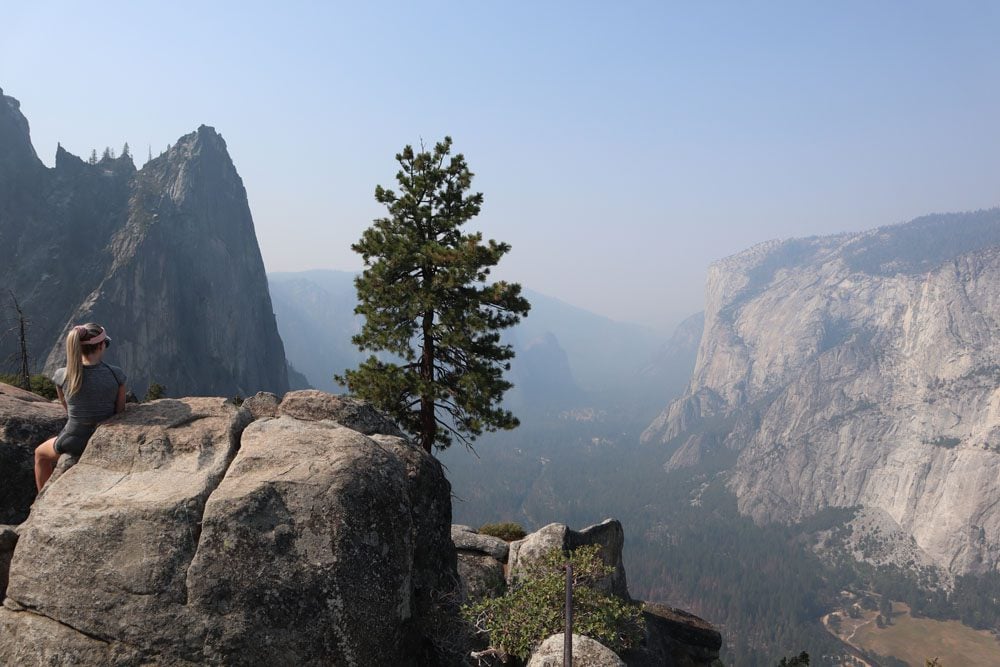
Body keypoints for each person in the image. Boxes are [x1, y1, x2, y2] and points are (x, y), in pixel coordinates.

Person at [34, 323, 127, 490]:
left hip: (73, 440)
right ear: (100, 346)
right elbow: (120, 411)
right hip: (104, 438)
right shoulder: (116, 374)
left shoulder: (62, 375)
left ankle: (42, 496)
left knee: (40, 454)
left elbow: (68, 409)